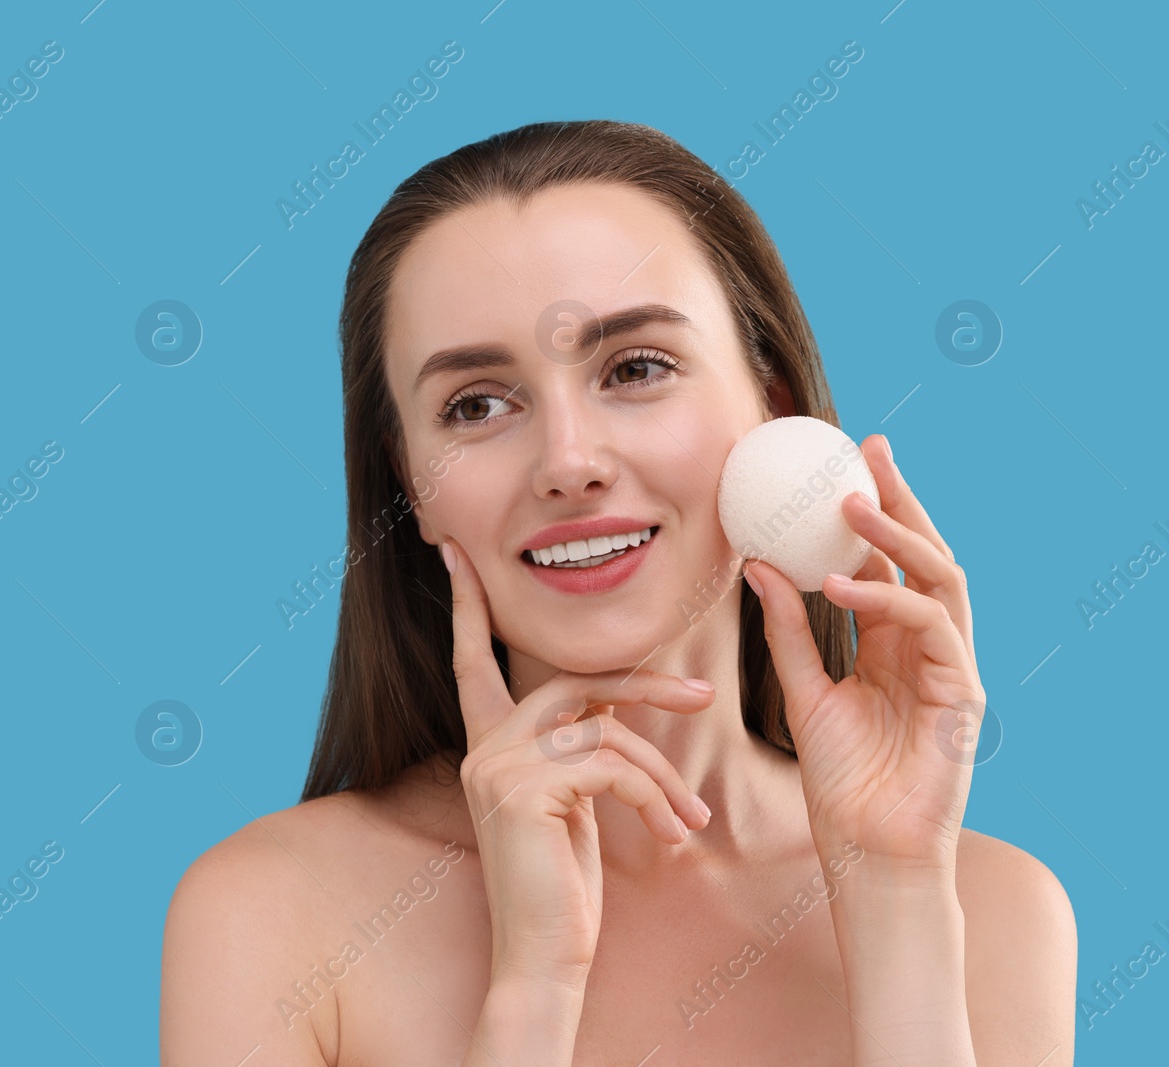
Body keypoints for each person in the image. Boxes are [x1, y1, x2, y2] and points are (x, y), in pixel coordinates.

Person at [160, 120, 1076, 1065]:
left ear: (775, 407)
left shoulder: (991, 908)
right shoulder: (271, 915)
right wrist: (533, 985)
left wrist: (894, 894)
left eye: (635, 368)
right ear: (411, 487)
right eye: (477, 404)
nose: (567, 462)